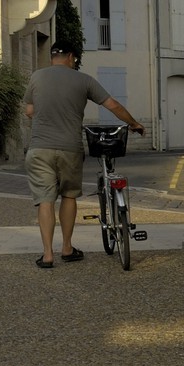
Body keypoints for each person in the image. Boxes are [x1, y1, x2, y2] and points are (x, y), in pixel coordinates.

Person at [23, 43, 144, 267]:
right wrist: (133, 123)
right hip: (70, 148)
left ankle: (48, 255)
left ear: (52, 57)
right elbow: (113, 105)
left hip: (40, 148)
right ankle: (67, 248)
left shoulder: (36, 77)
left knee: (45, 200)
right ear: (71, 57)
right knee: (68, 195)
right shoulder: (84, 80)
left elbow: (29, 111)